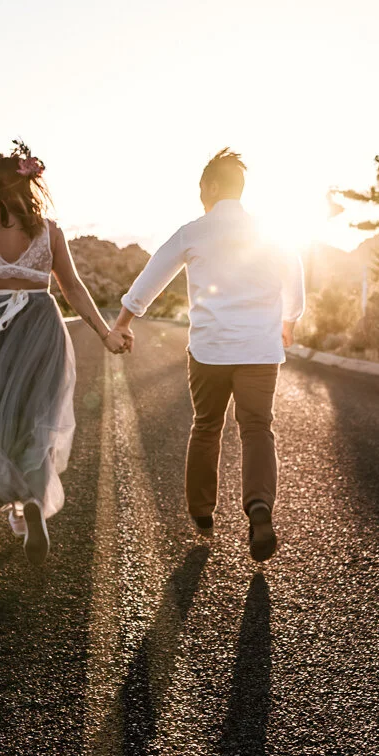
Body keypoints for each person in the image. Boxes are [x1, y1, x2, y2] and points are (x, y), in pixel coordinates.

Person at [106, 149, 303, 561]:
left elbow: (152, 276)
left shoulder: (193, 232)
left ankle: (202, 513)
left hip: (209, 352)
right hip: (260, 351)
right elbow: (295, 274)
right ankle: (259, 507)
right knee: (257, 428)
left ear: (211, 186)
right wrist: (290, 319)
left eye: (201, 188)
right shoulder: (269, 232)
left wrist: (123, 321)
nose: (200, 195)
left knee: (207, 426)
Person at [0, 142, 121, 562]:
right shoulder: (49, 230)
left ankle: (15, 503)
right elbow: (72, 287)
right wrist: (106, 333)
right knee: (38, 418)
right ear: (32, 182)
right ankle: (32, 503)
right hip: (40, 324)